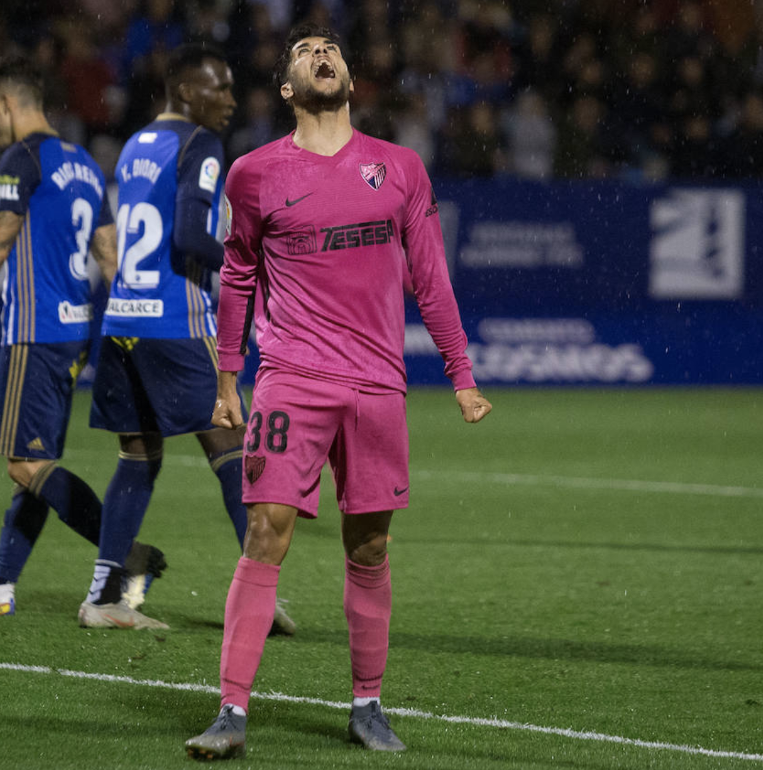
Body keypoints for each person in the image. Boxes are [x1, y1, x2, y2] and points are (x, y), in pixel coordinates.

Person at [184, 24, 492, 759]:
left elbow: (432, 279)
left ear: (351, 79)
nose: (322, 54)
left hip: (380, 385)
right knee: (266, 530)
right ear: (287, 89)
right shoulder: (254, 174)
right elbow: (237, 278)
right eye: (304, 52)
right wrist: (229, 377)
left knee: (371, 545)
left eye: (332, 50)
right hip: (291, 378)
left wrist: (461, 375)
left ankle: (367, 704)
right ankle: (231, 711)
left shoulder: (401, 168)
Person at [0, 55, 164, 629]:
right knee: (40, 460)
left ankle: (128, 558)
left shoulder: (21, 158)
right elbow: (108, 255)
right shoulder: (81, 162)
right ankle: (1, 584)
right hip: (74, 329)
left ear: (8, 103)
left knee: (24, 464)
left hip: (33, 332)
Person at [79, 43, 294, 636]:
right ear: (184, 90)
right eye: (218, 88)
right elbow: (191, 236)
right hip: (177, 325)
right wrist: (250, 256)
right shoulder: (199, 144)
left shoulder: (135, 144)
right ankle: (258, 596)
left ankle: (103, 597)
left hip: (124, 321)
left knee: (137, 459)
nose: (229, 100)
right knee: (237, 457)